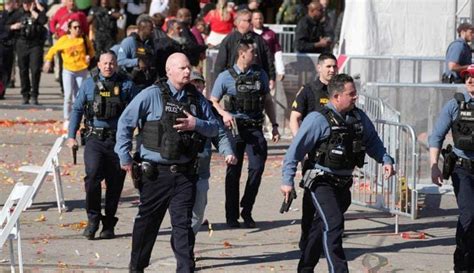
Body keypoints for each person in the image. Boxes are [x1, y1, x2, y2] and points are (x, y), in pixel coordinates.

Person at [114, 53, 219, 273]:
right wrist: (124, 156)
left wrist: (195, 123)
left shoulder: (197, 99)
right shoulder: (151, 95)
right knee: (147, 223)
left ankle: (185, 268)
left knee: (183, 225)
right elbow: (125, 122)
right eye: (182, 68)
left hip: (184, 174)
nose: (187, 72)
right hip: (155, 175)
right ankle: (137, 266)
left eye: (189, 68)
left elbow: (213, 128)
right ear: (169, 70)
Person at [281, 73, 395, 273]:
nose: (355, 97)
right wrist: (287, 181)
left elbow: (372, 142)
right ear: (336, 97)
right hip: (320, 182)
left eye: (355, 93)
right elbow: (294, 152)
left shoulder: (359, 117)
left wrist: (385, 160)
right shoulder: (318, 120)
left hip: (343, 184)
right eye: (351, 94)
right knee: (334, 225)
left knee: (319, 229)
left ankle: (305, 268)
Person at [65, 50, 136, 240]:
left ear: (116, 64)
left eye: (112, 63)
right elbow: (77, 109)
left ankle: (109, 222)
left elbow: (136, 111)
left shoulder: (127, 85)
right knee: (93, 177)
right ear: (98, 64)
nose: (108, 66)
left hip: (117, 141)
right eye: (104, 63)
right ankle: (93, 219)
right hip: (95, 139)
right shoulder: (89, 84)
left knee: (115, 183)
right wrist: (70, 136)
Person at [210, 39, 280, 228]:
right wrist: (224, 113)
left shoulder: (260, 75)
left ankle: (246, 209)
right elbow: (213, 100)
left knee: (257, 168)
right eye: (253, 53)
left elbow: (267, 100)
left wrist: (274, 124)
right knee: (233, 171)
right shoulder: (226, 76)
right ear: (242, 54)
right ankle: (231, 216)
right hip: (233, 128)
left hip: (254, 127)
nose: (255, 56)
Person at [288, 52, 337, 252]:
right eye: (328, 67)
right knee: (311, 199)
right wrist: (302, 146)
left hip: (335, 157)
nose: (332, 70)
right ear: (319, 68)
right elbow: (294, 118)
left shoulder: (339, 91)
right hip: (313, 156)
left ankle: (327, 237)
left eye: (334, 66)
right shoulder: (308, 91)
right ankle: (306, 239)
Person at [429, 65, 474, 272]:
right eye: (467, 77)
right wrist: (433, 166)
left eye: (473, 77)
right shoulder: (455, 105)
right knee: (469, 214)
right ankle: (461, 265)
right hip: (462, 168)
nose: (470, 81)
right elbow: (436, 137)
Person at [189, 71, 237, 235]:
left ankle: (187, 243)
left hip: (201, 170)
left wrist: (227, 152)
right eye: (192, 83)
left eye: (199, 83)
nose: (196, 86)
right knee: (181, 212)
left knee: (198, 212)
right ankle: (183, 250)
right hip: (178, 169)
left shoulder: (208, 108)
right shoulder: (177, 104)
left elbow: (220, 134)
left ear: (203, 86)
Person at [43, 20, 94, 130]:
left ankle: (78, 119)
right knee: (68, 95)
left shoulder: (83, 39)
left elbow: (91, 51)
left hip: (82, 70)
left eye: (79, 27)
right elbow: (52, 49)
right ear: (69, 29)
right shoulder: (64, 40)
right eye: (75, 27)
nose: (78, 29)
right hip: (68, 70)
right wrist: (48, 61)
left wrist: (89, 57)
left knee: (79, 96)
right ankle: (67, 119)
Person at [214, 9, 276, 89]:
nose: (252, 23)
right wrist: (218, 83)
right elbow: (220, 63)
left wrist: (271, 77)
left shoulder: (259, 39)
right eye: (249, 20)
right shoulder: (229, 40)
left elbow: (268, 60)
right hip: (234, 82)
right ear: (240, 22)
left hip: (256, 81)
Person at [9, 0, 47, 105]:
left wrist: (33, 11)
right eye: (25, 3)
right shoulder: (17, 13)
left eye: (29, 3)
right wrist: (13, 26)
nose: (27, 5)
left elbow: (43, 20)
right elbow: (7, 25)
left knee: (35, 70)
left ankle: (34, 94)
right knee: (23, 70)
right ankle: (25, 94)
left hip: (35, 44)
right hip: (22, 43)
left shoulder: (38, 12)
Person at [117, 14, 156, 91]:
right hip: (132, 83)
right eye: (150, 29)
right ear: (142, 29)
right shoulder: (129, 42)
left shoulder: (150, 42)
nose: (152, 31)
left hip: (148, 82)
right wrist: (137, 62)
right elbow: (120, 61)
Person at [251, 10, 285, 81]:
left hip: (268, 69)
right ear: (251, 20)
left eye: (260, 18)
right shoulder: (249, 34)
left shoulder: (270, 34)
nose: (258, 21)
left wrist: (281, 71)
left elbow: (277, 53)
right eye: (256, 19)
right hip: (252, 70)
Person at [0, 0, 18, 99]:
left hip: (10, 45)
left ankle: (2, 91)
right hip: (1, 43)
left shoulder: (16, 13)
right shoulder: (2, 13)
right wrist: (10, 27)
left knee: (7, 70)